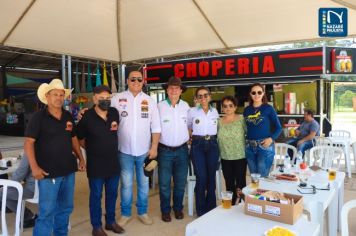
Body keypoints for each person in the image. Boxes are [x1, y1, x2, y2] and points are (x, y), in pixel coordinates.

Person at [24, 78, 86, 235]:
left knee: (65, 209)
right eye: (55, 94)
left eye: (61, 94)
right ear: (47, 96)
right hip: (48, 173)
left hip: (68, 171)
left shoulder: (67, 116)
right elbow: (29, 143)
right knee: (47, 212)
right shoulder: (38, 118)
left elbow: (73, 138)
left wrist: (81, 158)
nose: (59, 97)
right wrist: (34, 167)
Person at [111, 71, 161, 226]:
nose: (136, 81)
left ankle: (142, 212)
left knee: (143, 184)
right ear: (127, 80)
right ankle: (125, 213)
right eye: (133, 79)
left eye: (139, 79)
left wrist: (154, 147)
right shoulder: (117, 99)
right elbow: (106, 117)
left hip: (144, 151)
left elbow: (156, 127)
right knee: (126, 184)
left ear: (143, 81)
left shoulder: (149, 101)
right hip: (124, 150)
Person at [77, 85, 124, 236]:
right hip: (96, 165)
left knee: (112, 194)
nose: (105, 100)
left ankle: (110, 222)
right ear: (94, 99)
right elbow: (79, 138)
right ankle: (96, 226)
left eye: (108, 98)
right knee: (96, 196)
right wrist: (92, 148)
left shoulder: (114, 113)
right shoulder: (86, 117)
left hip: (113, 163)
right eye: (101, 98)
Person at [157, 77, 190, 222]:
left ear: (181, 91)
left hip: (182, 150)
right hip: (164, 151)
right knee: (164, 183)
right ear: (166, 90)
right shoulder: (159, 106)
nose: (173, 91)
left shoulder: (186, 106)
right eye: (171, 88)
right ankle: (165, 210)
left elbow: (190, 126)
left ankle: (177, 209)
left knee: (180, 182)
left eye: (177, 88)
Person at [188, 86, 219, 216]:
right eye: (200, 96)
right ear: (196, 98)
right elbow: (188, 126)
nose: (203, 98)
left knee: (211, 177)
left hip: (212, 144)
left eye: (205, 95)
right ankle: (201, 210)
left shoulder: (215, 112)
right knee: (202, 177)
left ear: (210, 97)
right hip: (198, 144)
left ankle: (210, 208)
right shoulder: (192, 111)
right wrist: (190, 138)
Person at [243, 83, 282, 177]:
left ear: (263, 93)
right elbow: (245, 127)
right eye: (253, 92)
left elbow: (279, 127)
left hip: (264, 147)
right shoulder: (247, 110)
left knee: (262, 178)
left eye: (259, 92)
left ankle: (263, 192)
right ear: (250, 94)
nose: (256, 95)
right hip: (249, 147)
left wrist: (271, 139)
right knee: (254, 177)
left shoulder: (268, 108)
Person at [217, 96, 247, 205]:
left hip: (240, 156)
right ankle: (231, 205)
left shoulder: (241, 119)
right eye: (225, 106)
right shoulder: (219, 122)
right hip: (225, 157)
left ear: (235, 107)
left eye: (230, 106)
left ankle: (243, 206)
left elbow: (249, 134)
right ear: (222, 108)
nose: (228, 108)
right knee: (229, 184)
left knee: (241, 184)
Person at [0, 154, 37, 228]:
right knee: (5, 191)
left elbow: (21, 172)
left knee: (3, 192)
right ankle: (28, 217)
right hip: (50, 188)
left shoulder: (30, 151)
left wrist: (9, 184)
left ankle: (28, 217)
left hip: (34, 190)